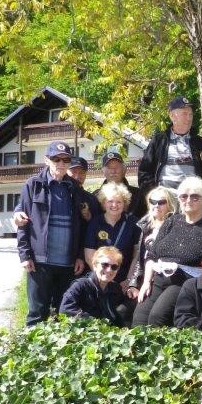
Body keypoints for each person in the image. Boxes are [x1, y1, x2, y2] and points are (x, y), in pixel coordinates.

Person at [132, 176, 202, 326]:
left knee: (157, 317)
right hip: (160, 278)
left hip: (186, 283)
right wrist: (146, 282)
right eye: (184, 196)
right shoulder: (172, 221)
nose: (188, 200)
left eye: (195, 197)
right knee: (139, 317)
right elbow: (152, 255)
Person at [16, 140, 87, 326]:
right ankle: (30, 345)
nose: (61, 164)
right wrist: (25, 255)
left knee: (62, 314)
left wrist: (80, 256)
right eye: (56, 159)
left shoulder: (75, 188)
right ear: (47, 160)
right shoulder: (33, 185)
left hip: (67, 263)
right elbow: (22, 222)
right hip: (40, 262)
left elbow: (81, 225)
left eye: (66, 160)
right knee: (37, 314)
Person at [138, 95, 202, 193]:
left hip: (192, 196)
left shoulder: (199, 142)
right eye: (184, 114)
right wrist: (152, 193)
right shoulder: (159, 141)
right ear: (172, 116)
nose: (189, 118)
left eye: (190, 114)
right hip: (165, 196)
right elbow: (144, 171)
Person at [84, 182, 141, 292]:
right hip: (100, 278)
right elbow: (89, 256)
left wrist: (129, 280)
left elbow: (137, 255)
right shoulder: (95, 223)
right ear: (104, 203)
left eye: (119, 202)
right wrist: (104, 277)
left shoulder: (133, 223)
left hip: (124, 280)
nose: (114, 205)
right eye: (110, 201)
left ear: (124, 203)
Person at [126, 186, 177, 298]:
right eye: (153, 201)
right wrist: (133, 283)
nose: (156, 205)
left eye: (161, 202)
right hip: (144, 278)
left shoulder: (176, 225)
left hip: (164, 279)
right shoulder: (145, 225)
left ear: (170, 204)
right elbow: (140, 258)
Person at [59, 246, 127, 325]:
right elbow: (65, 310)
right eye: (105, 265)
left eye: (114, 267)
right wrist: (96, 324)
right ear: (95, 265)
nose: (109, 270)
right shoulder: (80, 285)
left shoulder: (115, 289)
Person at [95, 151, 145, 219]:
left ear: (124, 170)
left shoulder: (139, 195)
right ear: (103, 171)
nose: (113, 171)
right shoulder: (95, 197)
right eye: (109, 168)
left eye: (117, 167)